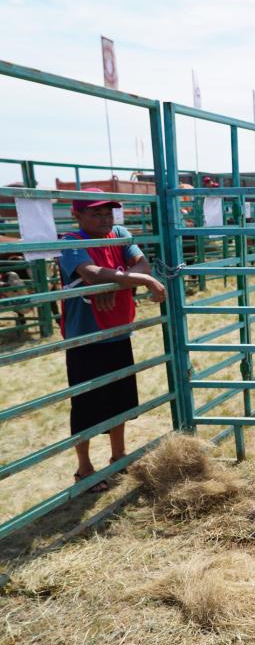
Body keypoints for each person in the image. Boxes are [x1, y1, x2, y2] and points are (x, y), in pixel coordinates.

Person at [60, 189, 166, 492]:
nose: (105, 219)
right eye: (96, 213)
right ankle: (84, 468)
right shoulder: (71, 242)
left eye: (108, 213)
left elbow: (142, 263)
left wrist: (115, 279)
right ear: (77, 215)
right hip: (86, 337)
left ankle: (118, 455)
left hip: (118, 330)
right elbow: (91, 274)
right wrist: (138, 280)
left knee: (119, 397)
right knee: (86, 403)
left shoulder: (119, 233)